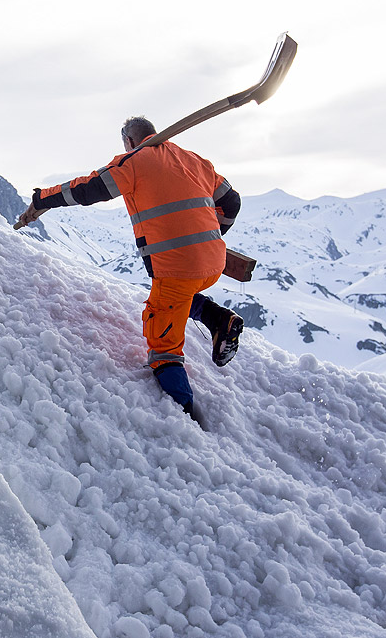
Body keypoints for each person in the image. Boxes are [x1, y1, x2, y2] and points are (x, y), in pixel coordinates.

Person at [16, 116, 244, 426]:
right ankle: (219, 320)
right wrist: (213, 234)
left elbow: (86, 189)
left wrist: (43, 198)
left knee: (163, 345)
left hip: (178, 269)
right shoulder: (194, 160)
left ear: (128, 142)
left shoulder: (132, 162)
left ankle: (190, 421)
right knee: (171, 296)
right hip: (214, 263)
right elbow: (231, 202)